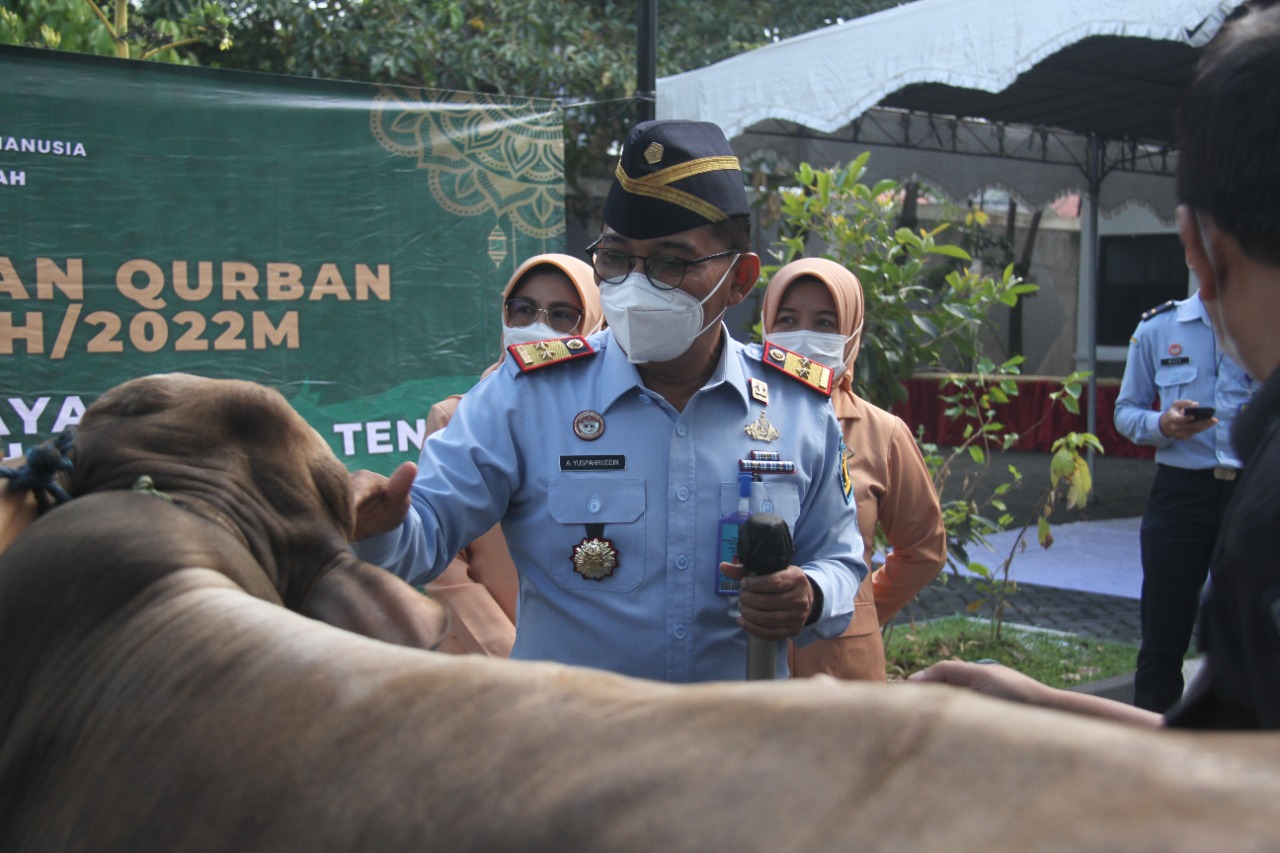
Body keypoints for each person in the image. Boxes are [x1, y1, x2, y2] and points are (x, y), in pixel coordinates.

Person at [351, 119, 866, 682]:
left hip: (732, 748)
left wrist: (811, 595)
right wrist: (377, 526)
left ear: (740, 280)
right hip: (572, 748)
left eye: (672, 263)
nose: (637, 286)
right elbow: (424, 535)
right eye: (618, 259)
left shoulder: (796, 407)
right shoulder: (528, 396)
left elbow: (840, 559)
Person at [912, 0, 1280, 730]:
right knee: (1162, 645)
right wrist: (1041, 703)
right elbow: (1240, 749)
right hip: (1181, 492)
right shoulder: (1168, 342)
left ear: (1197, 248)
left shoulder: (1266, 510)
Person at [762, 257, 946, 681]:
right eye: (787, 319)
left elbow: (924, 549)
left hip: (843, 664)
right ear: (767, 326)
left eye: (825, 322)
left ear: (851, 333)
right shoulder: (733, 417)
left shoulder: (883, 433)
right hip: (739, 655)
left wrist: (854, 606)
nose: (802, 336)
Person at [424, 253, 602, 656]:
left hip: (589, 665)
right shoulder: (456, 418)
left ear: (596, 324)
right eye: (522, 310)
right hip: (484, 670)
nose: (536, 327)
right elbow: (446, 570)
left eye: (561, 315)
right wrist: (507, 654)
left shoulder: (608, 427)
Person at [1113, 288, 1258, 712]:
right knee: (1162, 637)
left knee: (1255, 633)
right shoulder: (1158, 327)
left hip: (1252, 493)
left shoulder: (1265, 322)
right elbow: (1126, 410)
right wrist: (1162, 423)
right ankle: (1151, 754)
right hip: (1181, 494)